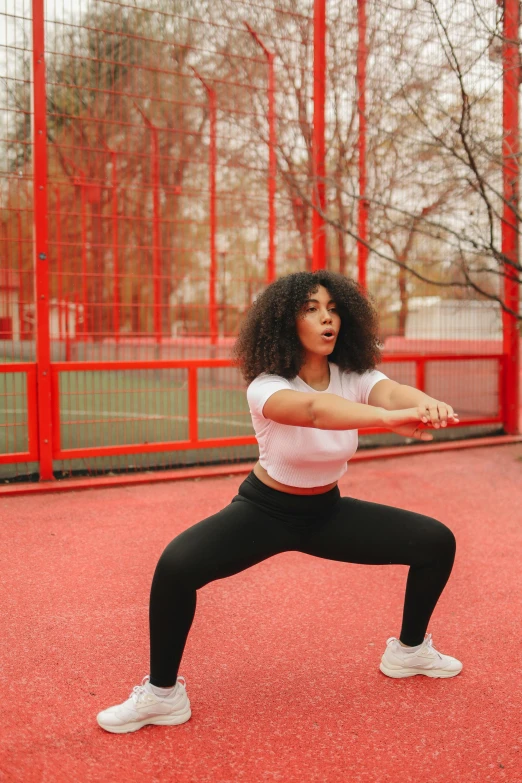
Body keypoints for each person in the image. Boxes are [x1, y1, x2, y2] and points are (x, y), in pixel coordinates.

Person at [97, 270, 462, 734]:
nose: (326, 319)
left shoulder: (354, 375)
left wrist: (425, 402)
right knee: (175, 568)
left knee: (436, 542)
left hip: (326, 512)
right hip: (265, 512)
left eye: (332, 309)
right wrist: (389, 419)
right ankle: (162, 695)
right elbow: (314, 412)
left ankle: (408, 652)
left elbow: (390, 391)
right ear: (285, 323)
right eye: (311, 309)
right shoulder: (266, 386)